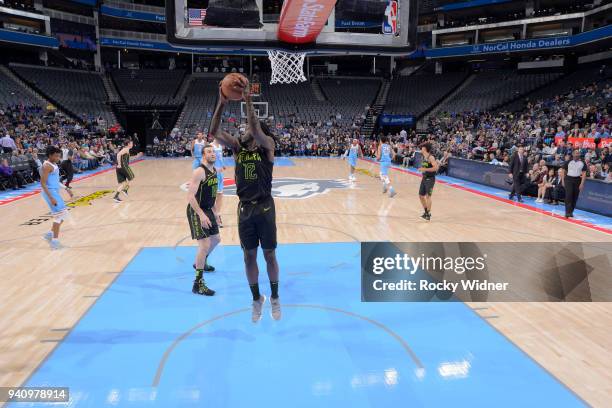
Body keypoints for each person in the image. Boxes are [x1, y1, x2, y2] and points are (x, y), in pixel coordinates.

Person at [211, 78, 281, 323]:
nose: (243, 129)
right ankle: (256, 299)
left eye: (248, 128)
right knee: (248, 257)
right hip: (245, 210)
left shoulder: (267, 146)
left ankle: (274, 296)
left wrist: (248, 98)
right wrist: (221, 102)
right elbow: (214, 132)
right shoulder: (237, 149)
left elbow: (253, 123)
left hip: (265, 207)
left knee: (269, 254)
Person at [186, 144, 220, 296]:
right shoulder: (199, 171)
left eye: (213, 151)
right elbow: (190, 196)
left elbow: (211, 195)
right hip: (196, 210)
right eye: (209, 152)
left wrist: (215, 212)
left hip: (208, 209)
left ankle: (200, 263)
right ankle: (198, 283)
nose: (212, 153)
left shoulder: (213, 171)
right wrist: (201, 214)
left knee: (216, 239)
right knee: (205, 244)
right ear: (203, 155)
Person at [40, 146, 74, 249]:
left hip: (54, 192)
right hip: (50, 193)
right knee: (59, 216)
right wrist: (51, 198)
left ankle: (49, 234)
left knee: (63, 215)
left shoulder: (53, 164)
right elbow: (43, 183)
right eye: (56, 156)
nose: (58, 158)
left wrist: (66, 188)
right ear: (50, 155)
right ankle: (54, 243)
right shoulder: (47, 166)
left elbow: (55, 181)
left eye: (59, 156)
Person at [560, 149, 587, 218]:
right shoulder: (568, 162)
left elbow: (584, 174)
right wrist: (563, 180)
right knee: (568, 196)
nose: (577, 154)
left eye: (578, 153)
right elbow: (563, 171)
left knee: (575, 197)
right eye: (575, 153)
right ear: (572, 154)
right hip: (568, 179)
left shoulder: (583, 163)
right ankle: (567, 212)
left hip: (577, 180)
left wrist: (582, 183)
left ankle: (571, 212)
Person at [418, 142, 439, 220]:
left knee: (428, 196)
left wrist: (424, 169)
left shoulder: (431, 157)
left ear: (425, 148)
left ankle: (428, 214)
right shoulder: (423, 156)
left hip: (430, 179)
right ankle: (426, 212)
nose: (421, 148)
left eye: (422, 147)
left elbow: (436, 168)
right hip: (424, 178)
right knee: (420, 195)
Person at [211, 137, 226, 227]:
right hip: (213, 173)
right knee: (213, 195)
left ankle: (218, 214)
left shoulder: (220, 146)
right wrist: (214, 168)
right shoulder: (210, 146)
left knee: (220, 195)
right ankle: (213, 216)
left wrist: (223, 165)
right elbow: (205, 160)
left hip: (220, 174)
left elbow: (220, 158)